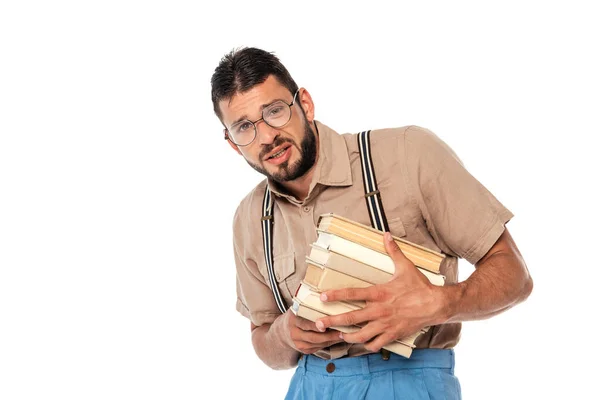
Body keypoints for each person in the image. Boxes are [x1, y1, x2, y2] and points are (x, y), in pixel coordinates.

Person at [211, 47, 533, 400]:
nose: (267, 137)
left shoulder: (408, 154)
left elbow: (515, 275)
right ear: (232, 143)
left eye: (274, 112)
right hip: (309, 386)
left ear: (305, 103)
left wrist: (442, 302)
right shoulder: (248, 218)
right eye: (244, 127)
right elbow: (262, 335)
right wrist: (285, 335)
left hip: (410, 383)